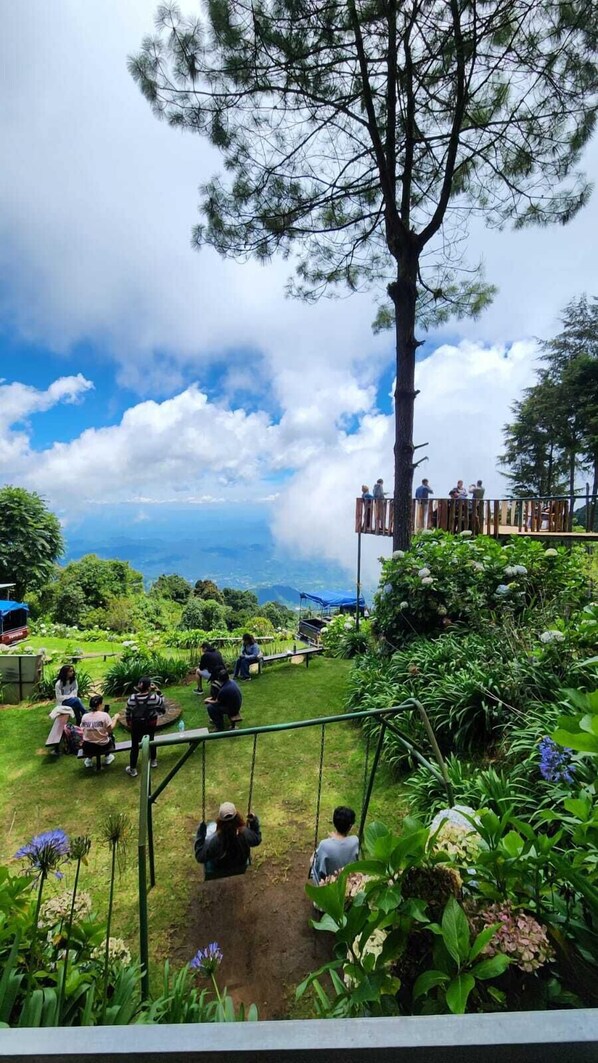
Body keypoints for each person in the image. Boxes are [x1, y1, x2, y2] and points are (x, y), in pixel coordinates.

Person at [194, 801, 261, 879]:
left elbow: (200, 857)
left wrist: (200, 834)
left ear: (220, 820)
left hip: (220, 867)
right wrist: (253, 822)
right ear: (237, 817)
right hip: (240, 864)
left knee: (210, 828)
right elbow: (257, 839)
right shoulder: (245, 833)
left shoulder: (216, 840)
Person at [125, 676, 165, 778]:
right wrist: (158, 691)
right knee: (151, 741)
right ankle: (153, 761)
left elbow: (128, 712)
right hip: (150, 725)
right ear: (149, 687)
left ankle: (133, 769)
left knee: (134, 746)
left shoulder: (132, 698)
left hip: (136, 726)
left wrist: (129, 722)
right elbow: (162, 704)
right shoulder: (154, 698)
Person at [310, 806, 359, 884]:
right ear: (350, 826)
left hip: (331, 883)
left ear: (334, 822)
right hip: (349, 881)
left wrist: (332, 840)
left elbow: (316, 865)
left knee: (313, 859)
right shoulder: (355, 841)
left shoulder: (325, 845)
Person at [80, 694, 120, 769]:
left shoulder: (84, 716)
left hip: (87, 746)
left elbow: (83, 729)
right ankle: (108, 757)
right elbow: (110, 730)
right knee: (111, 736)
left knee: (90, 736)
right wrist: (115, 718)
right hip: (102, 746)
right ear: (99, 705)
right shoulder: (104, 715)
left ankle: (89, 759)